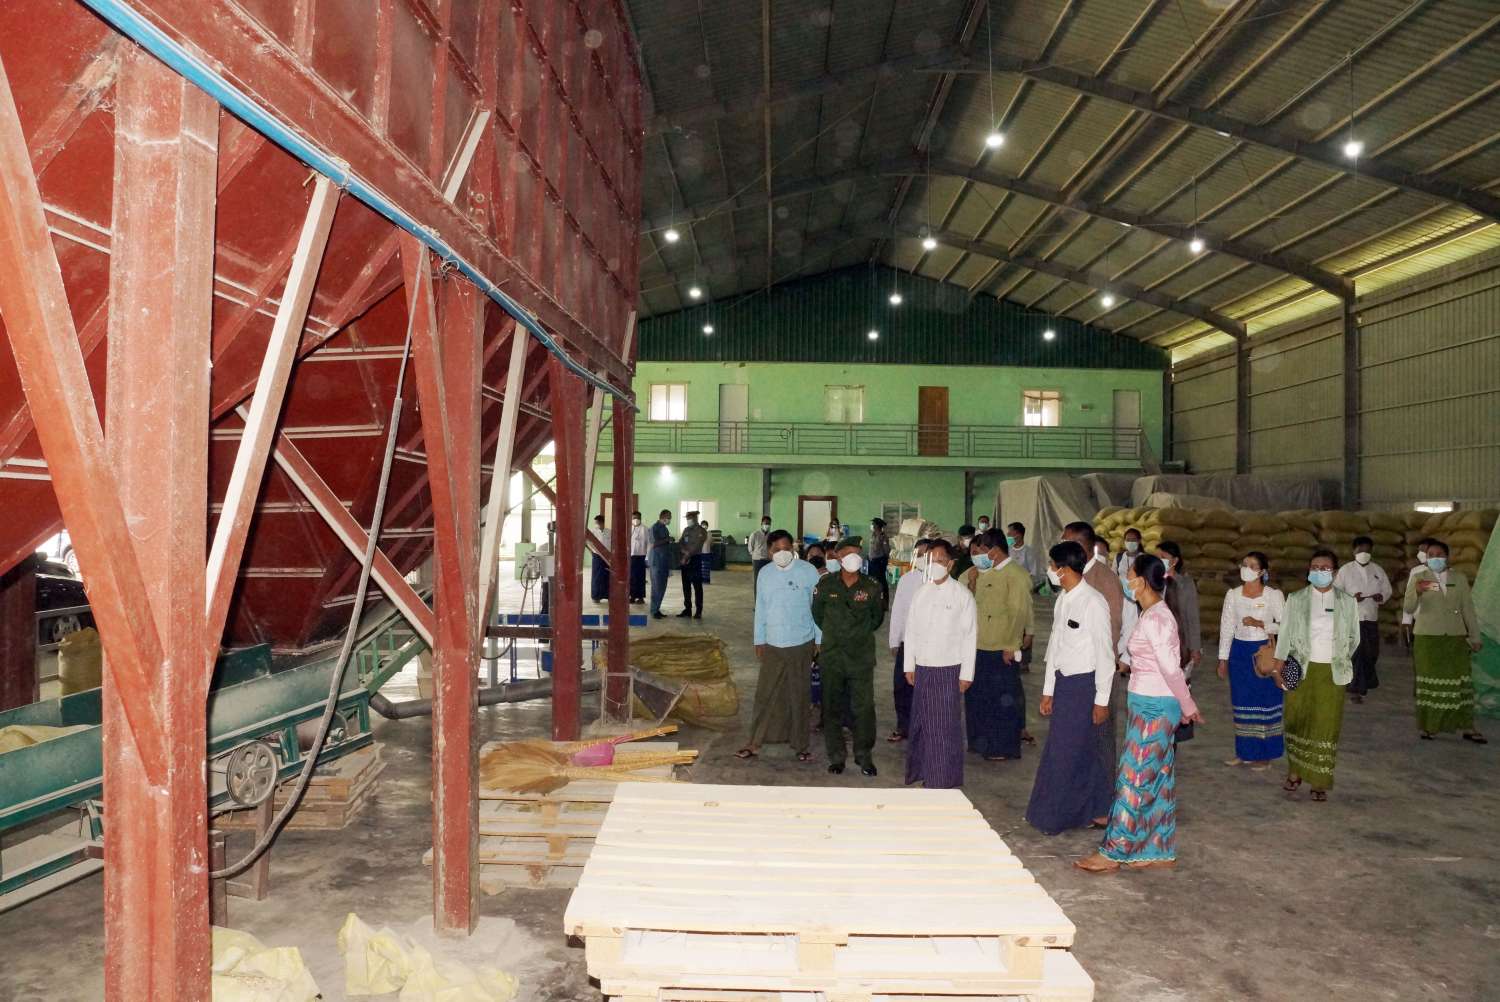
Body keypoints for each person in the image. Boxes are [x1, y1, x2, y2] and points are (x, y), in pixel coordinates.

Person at [1076, 555, 1203, 873]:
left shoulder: (1158, 619)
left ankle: (1114, 851)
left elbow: (1171, 670)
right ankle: (1157, 848)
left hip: (1155, 706)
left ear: (1142, 581)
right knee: (1157, 778)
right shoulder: (1150, 613)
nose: (1125, 580)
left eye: (1129, 575)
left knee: (1133, 779)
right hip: (1147, 703)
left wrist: (1188, 706)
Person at [1028, 541, 1117, 837]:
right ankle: (1091, 810)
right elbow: (1055, 647)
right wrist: (1048, 690)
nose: (1050, 571)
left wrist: (1101, 700)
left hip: (1084, 686)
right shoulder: (1063, 600)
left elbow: (1105, 655)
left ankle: (1060, 815)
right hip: (1064, 683)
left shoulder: (1093, 602)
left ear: (1064, 569)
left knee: (1068, 752)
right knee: (1070, 749)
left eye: (1052, 566)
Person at [1273, 550, 1360, 800]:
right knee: (1296, 720)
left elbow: (1354, 638)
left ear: (1335, 572)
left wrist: (1339, 657)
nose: (1319, 571)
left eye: (1325, 567)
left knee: (1326, 724)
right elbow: (1285, 636)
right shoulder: (1296, 599)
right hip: (1300, 669)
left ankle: (1319, 780)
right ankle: (1295, 772)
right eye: (1314, 567)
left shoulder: (1347, 601)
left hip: (1332, 673)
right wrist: (1278, 668)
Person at [739, 530, 821, 763]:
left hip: (801, 642)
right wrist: (759, 639)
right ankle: (754, 742)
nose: (782, 553)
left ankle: (801, 745)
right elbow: (761, 608)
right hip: (773, 642)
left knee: (799, 695)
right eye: (777, 549)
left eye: (786, 548)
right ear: (769, 551)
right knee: (764, 694)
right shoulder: (765, 574)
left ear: (793, 548)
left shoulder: (808, 571)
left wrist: (819, 639)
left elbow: (818, 608)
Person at [902, 540, 977, 789]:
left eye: (940, 560)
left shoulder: (962, 596)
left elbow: (970, 637)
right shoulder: (921, 593)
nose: (935, 565)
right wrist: (909, 665)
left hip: (948, 669)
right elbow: (911, 631)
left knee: (944, 727)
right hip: (923, 667)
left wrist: (966, 674)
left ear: (951, 564)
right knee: (922, 723)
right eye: (931, 560)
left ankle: (941, 779)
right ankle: (924, 772)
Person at [811, 538, 884, 776]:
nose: (855, 557)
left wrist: (855, 636)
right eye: (849, 553)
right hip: (832, 656)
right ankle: (836, 756)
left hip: (860, 657)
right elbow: (818, 615)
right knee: (831, 707)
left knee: (864, 708)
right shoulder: (825, 585)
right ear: (838, 557)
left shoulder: (872, 586)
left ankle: (864, 756)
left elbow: (876, 619)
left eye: (858, 553)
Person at [1404, 540, 1485, 743]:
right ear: (1426, 558)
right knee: (1432, 685)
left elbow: (1468, 609)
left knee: (1460, 682)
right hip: (1428, 639)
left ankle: (1467, 726)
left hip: (1455, 638)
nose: (1435, 558)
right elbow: (1408, 607)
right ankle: (1429, 726)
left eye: (1439, 554)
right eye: (1431, 555)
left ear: (1447, 557)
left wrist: (1475, 636)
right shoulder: (1419, 577)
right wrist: (1417, 591)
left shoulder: (1459, 579)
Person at [964, 531, 1033, 761]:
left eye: (982, 551)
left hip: (1001, 647)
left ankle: (1002, 747)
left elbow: (1019, 612)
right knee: (980, 698)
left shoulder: (1016, 575)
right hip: (980, 645)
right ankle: (980, 742)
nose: (978, 556)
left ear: (993, 550)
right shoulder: (987, 573)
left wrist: (1011, 645)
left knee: (1002, 700)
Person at [1066, 522, 1126, 774]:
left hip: (1096, 669)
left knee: (1100, 732)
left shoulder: (1104, 579)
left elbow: (1111, 629)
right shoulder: (1074, 575)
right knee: (1079, 732)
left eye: (1066, 542)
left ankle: (1103, 788)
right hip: (1076, 669)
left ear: (1081, 546)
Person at [1216, 552, 1285, 768]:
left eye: (1253, 566)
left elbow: (1285, 625)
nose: (1246, 568)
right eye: (1244, 564)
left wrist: (1261, 624)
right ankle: (1244, 751)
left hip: (1264, 652)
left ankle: (1265, 753)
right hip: (1240, 653)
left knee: (1265, 702)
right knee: (1242, 702)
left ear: (1262, 572)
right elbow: (1227, 627)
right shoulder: (1233, 595)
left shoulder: (1273, 595)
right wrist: (1223, 658)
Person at [886, 539, 933, 743]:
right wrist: (894, 640)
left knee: (928, 688)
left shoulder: (941, 580)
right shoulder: (907, 579)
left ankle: (926, 727)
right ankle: (903, 726)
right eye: (918, 555)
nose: (921, 558)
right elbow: (898, 610)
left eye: (925, 554)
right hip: (908, 642)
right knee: (902, 686)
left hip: (932, 644)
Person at [1335, 536, 1391, 704]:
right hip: (1353, 618)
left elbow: (1387, 590)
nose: (1364, 553)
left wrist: (1381, 597)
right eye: (1360, 550)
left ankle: (1366, 681)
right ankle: (1357, 690)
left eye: (1367, 550)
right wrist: (1352, 599)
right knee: (1358, 653)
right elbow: (1336, 593)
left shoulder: (1378, 570)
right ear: (1354, 551)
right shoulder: (1345, 570)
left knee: (1372, 652)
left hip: (1371, 617)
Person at [1402, 538, 1439, 647]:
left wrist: (1428, 585)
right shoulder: (1415, 571)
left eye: (1423, 551)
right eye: (1419, 551)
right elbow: (1409, 596)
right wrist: (1406, 621)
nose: (1420, 554)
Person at [677, 510, 707, 619]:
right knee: (686, 586)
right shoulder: (686, 530)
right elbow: (680, 542)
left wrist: (687, 555)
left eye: (689, 518)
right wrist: (684, 552)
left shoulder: (701, 531)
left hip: (695, 560)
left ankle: (698, 611)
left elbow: (697, 546)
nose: (688, 520)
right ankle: (687, 609)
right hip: (685, 560)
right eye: (687, 518)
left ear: (695, 518)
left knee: (697, 586)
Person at [648, 509, 673, 620]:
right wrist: (668, 539)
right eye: (669, 517)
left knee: (662, 586)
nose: (670, 519)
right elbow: (653, 543)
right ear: (663, 516)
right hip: (656, 561)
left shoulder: (664, 528)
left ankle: (657, 609)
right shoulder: (654, 528)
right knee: (656, 587)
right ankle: (654, 610)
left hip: (663, 561)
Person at [1007, 522, 1042, 589]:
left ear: (1018, 534)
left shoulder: (1029, 552)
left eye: (1010, 532)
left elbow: (1034, 574)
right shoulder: (1007, 550)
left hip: (1023, 587)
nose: (1007, 534)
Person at [868, 518, 891, 609]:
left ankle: (884, 604)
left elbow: (887, 551)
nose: (872, 526)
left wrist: (884, 560)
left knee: (881, 582)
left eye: (873, 524)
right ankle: (874, 602)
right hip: (872, 562)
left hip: (879, 562)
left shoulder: (883, 537)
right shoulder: (873, 535)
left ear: (877, 526)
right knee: (872, 581)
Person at [628, 511, 650, 604]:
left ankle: (640, 597)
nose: (635, 520)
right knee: (631, 577)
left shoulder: (645, 529)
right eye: (634, 518)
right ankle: (632, 596)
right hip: (631, 556)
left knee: (640, 577)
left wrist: (647, 557)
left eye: (637, 518)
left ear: (640, 518)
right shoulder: (629, 528)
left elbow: (649, 544)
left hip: (641, 556)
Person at [589, 515, 611, 603]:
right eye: (595, 523)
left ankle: (607, 595)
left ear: (602, 523)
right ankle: (596, 596)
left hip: (607, 557)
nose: (596, 525)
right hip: (597, 556)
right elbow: (589, 543)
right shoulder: (593, 532)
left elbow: (612, 543)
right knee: (596, 576)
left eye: (597, 523)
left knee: (607, 575)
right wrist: (592, 551)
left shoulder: (609, 532)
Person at [748, 516, 773, 582]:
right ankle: (756, 589)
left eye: (769, 524)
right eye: (765, 523)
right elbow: (750, 548)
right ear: (761, 524)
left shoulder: (771, 535)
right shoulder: (755, 534)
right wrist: (755, 555)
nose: (767, 525)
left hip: (768, 560)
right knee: (757, 579)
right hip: (757, 560)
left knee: (767, 579)